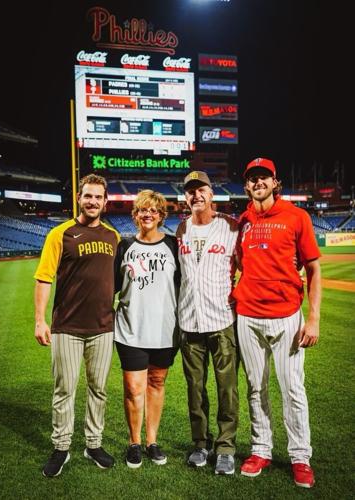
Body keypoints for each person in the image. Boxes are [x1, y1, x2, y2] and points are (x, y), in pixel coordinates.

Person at [233, 158, 321, 488]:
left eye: (263, 178)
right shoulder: (243, 220)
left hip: (287, 317)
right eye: (253, 179)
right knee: (256, 387)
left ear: (275, 182)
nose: (258, 183)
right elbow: (242, 261)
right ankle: (261, 449)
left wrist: (312, 318)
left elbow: (313, 269)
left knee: (292, 389)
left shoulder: (297, 216)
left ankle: (300, 456)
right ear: (246, 186)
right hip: (248, 316)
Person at [34, 174, 120, 477]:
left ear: (105, 201)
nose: (93, 201)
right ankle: (61, 447)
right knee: (64, 389)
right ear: (79, 198)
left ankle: (93, 444)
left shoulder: (113, 237)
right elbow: (44, 277)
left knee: (99, 390)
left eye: (98, 197)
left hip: (103, 327)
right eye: (88, 196)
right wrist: (40, 319)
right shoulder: (61, 234)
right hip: (66, 326)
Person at [176, 171, 239, 475]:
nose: (196, 195)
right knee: (195, 389)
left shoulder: (230, 227)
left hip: (222, 320)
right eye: (190, 191)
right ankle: (201, 444)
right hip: (189, 322)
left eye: (201, 190)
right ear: (186, 197)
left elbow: (247, 266)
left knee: (227, 388)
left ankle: (226, 447)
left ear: (212, 194)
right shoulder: (181, 228)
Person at [114, 190, 180, 469]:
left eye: (153, 210)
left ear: (161, 215)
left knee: (156, 383)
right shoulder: (125, 245)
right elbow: (111, 287)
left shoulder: (174, 245)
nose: (148, 214)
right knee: (133, 387)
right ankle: (134, 442)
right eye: (143, 210)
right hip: (131, 328)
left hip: (166, 329)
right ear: (136, 215)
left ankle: (152, 441)